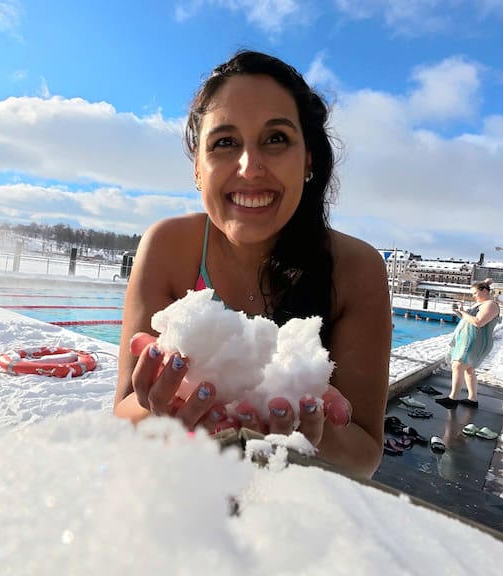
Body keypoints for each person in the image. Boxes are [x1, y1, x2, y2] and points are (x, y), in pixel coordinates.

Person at [113, 50, 392, 478]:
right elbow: (123, 414)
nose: (249, 168)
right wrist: (159, 408)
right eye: (225, 142)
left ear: (309, 159)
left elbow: (365, 453)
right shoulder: (169, 247)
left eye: (275, 138)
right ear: (198, 168)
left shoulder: (356, 269)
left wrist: (312, 433)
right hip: (183, 494)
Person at [436, 279, 501, 409]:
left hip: (476, 342)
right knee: (469, 370)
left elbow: (478, 322)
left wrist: (464, 313)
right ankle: (472, 399)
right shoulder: (481, 304)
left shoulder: (490, 305)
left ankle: (453, 399)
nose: (473, 296)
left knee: (458, 366)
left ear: (484, 291)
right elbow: (469, 321)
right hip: (471, 341)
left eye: (475, 293)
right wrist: (460, 313)